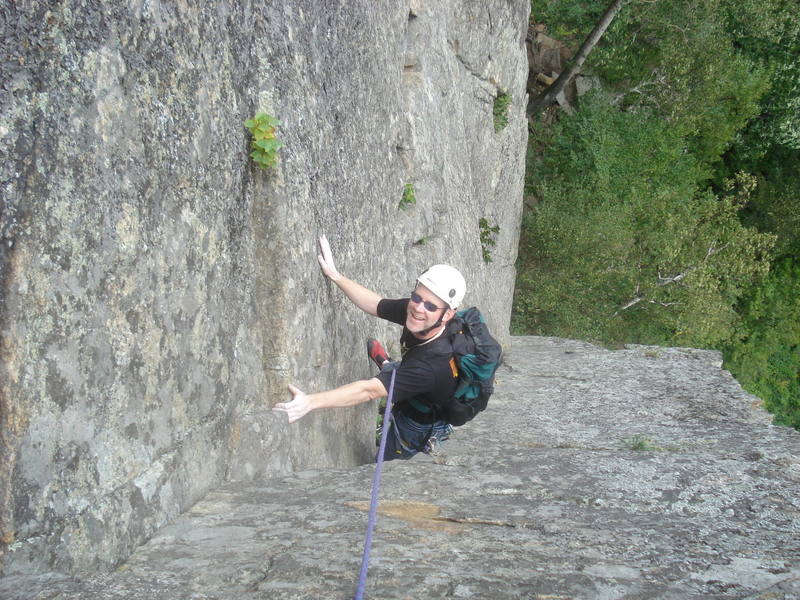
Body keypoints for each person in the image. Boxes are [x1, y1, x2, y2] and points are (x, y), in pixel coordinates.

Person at [272, 235, 467, 460]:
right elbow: (377, 304)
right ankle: (390, 368)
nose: (418, 308)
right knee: (403, 371)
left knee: (384, 463)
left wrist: (309, 402)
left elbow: (369, 391)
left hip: (418, 423)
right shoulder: (419, 312)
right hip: (421, 379)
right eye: (417, 297)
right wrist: (336, 276)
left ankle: (392, 376)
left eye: (431, 306)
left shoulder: (432, 364)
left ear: (447, 315)